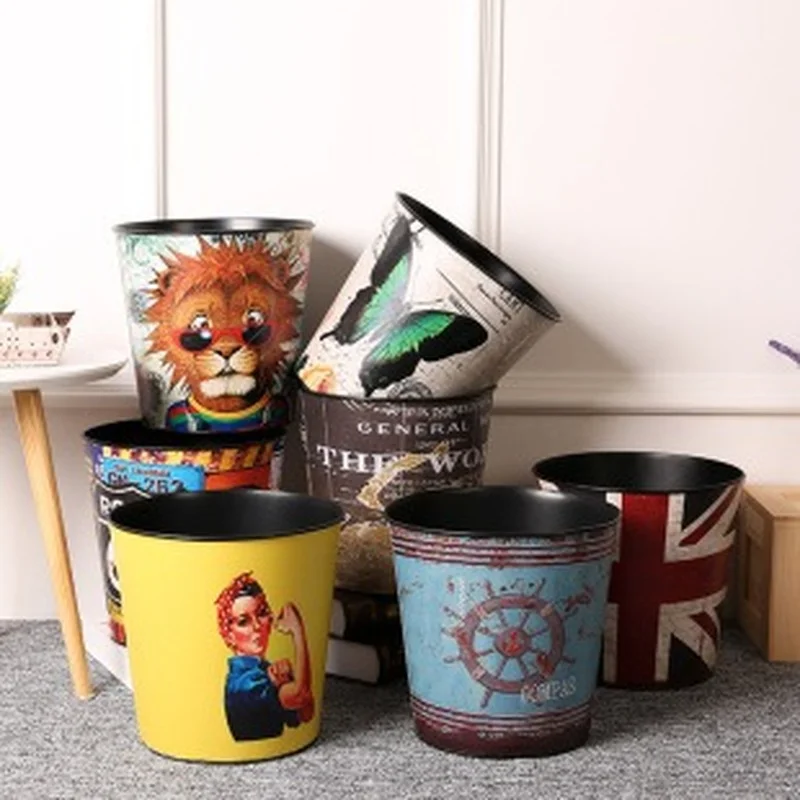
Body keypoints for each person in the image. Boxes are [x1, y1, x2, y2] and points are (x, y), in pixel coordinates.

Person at [214, 572, 315, 741]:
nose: (256, 626)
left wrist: (289, 678)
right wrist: (297, 632)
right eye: (243, 622)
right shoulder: (244, 682)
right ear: (229, 635)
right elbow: (301, 695)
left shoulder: (265, 670)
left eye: (261, 613)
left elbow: (306, 714)